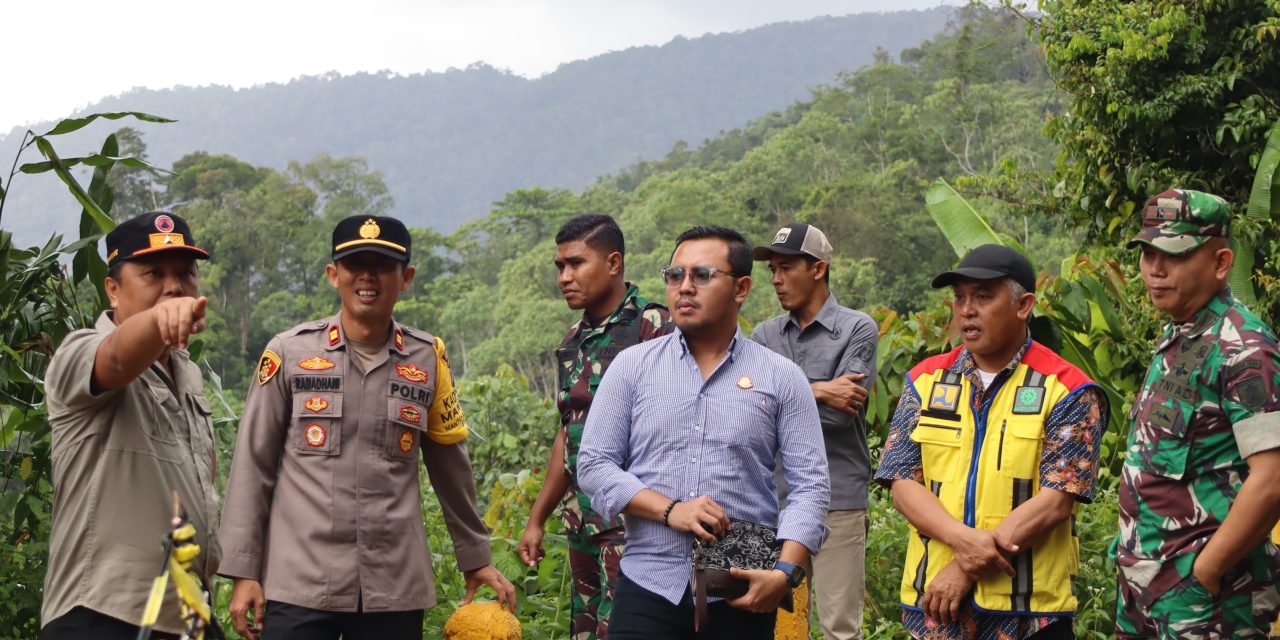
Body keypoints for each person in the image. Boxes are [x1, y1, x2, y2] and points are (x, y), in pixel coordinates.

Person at [218, 215, 515, 640]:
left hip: (392, 586)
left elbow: (451, 467)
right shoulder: (289, 352)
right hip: (298, 581)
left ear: (406, 277)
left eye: (383, 266)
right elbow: (253, 465)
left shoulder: (428, 358)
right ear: (333, 274)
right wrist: (243, 571)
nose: (367, 277)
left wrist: (476, 556)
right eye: (355, 264)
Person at [577, 225, 830, 640]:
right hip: (648, 585)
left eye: (703, 275)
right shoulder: (632, 367)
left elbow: (811, 486)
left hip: (742, 588)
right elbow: (594, 464)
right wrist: (670, 509)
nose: (684, 288)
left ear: (741, 287)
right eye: (675, 275)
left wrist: (786, 573)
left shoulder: (782, 377)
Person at [873, 243, 1108, 640]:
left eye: (983, 297)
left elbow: (1056, 500)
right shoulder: (925, 381)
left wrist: (965, 566)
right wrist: (963, 542)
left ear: (1023, 305)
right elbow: (901, 482)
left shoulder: (1067, 389)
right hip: (935, 608)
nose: (967, 309)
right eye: (960, 297)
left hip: (1030, 617)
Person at [41, 211, 220, 640]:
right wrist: (160, 320)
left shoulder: (189, 376)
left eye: (185, 273)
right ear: (113, 290)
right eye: (153, 273)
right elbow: (119, 359)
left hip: (186, 616)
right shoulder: (79, 353)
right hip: (103, 613)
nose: (174, 286)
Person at [1113, 189, 1280, 638]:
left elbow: (1273, 478)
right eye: (1147, 253)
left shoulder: (1243, 348)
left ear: (1221, 263)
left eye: (1174, 255)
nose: (1155, 269)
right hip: (1146, 582)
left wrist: (1204, 572)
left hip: (1206, 597)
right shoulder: (1183, 334)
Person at [517, 214, 671, 640]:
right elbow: (568, 434)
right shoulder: (573, 341)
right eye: (560, 267)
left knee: (624, 631)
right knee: (585, 632)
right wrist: (537, 519)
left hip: (636, 524)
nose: (565, 276)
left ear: (614, 262)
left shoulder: (654, 328)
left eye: (576, 264)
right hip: (583, 522)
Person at [750, 223, 876, 640]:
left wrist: (779, 396)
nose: (776, 280)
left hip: (837, 499)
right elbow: (752, 414)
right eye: (772, 270)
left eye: (786, 268)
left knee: (839, 627)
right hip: (774, 502)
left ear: (818, 268)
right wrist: (821, 389)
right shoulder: (764, 335)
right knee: (777, 626)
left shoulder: (858, 329)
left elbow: (842, 416)